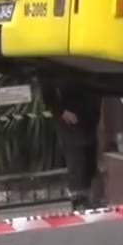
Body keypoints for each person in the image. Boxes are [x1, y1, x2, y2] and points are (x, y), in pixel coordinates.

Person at [37, 77, 102, 210]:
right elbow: (48, 97)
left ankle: (90, 197)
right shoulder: (52, 70)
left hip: (88, 117)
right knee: (76, 156)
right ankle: (78, 199)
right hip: (69, 119)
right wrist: (62, 112)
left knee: (89, 154)